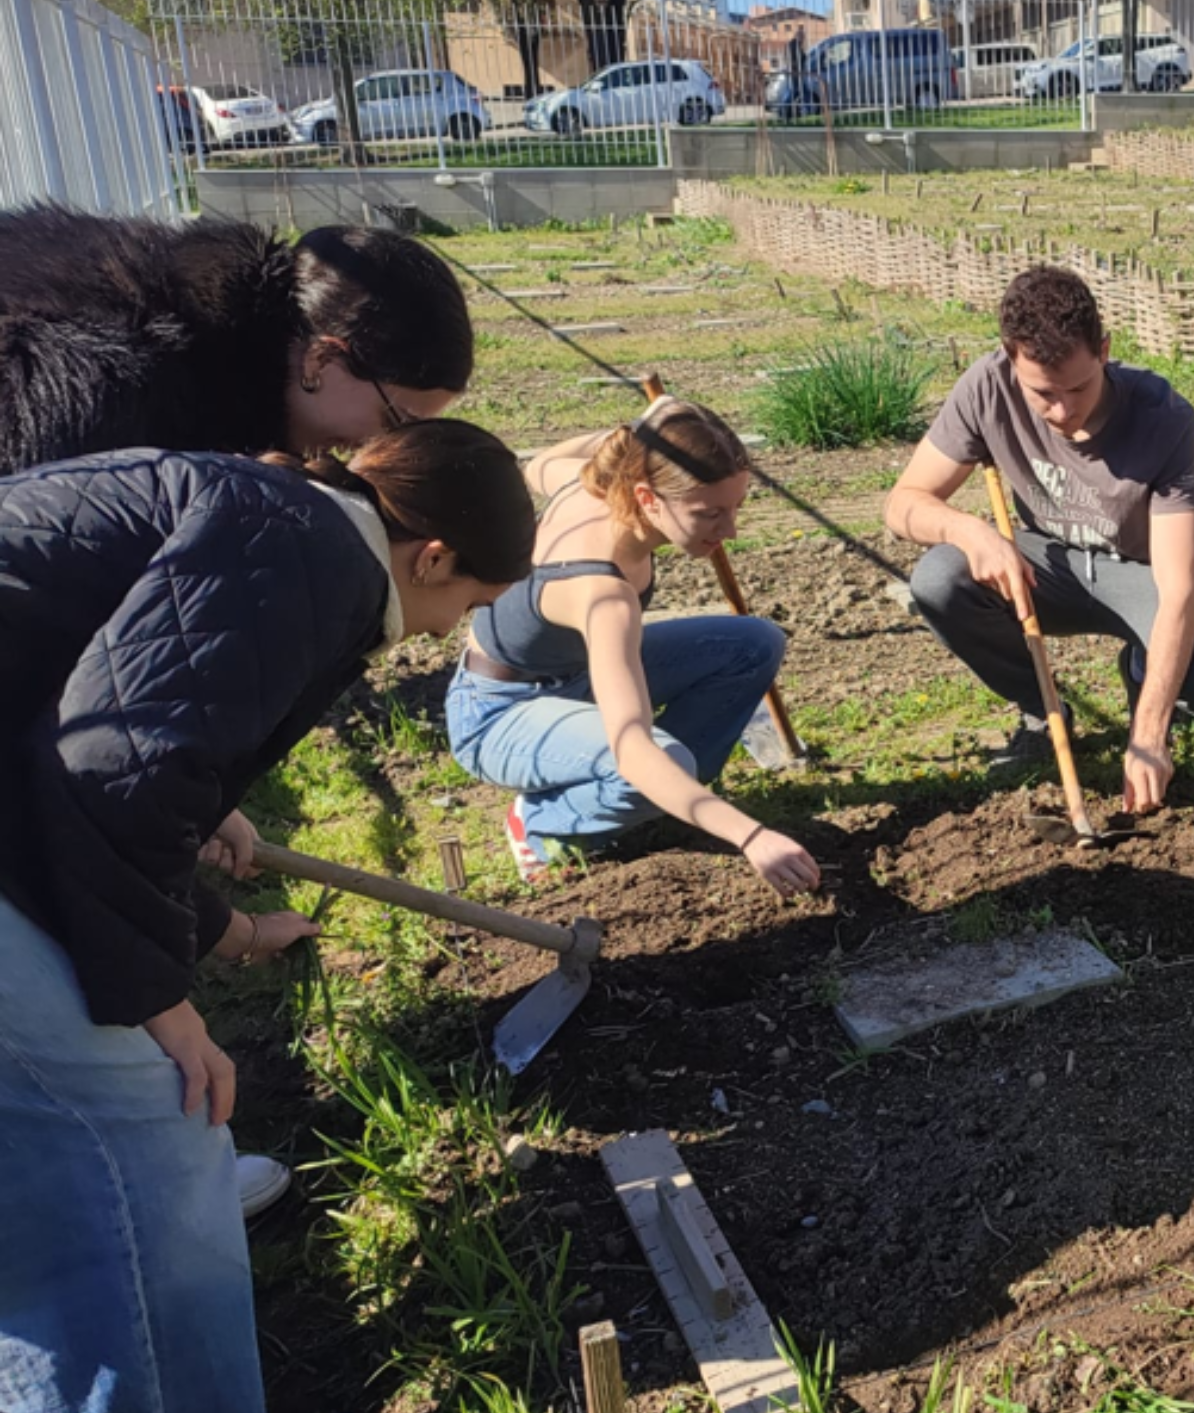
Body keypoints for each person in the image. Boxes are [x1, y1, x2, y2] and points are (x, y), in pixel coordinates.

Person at [0, 423, 536, 1413]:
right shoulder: (312, 555)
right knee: (145, 1149)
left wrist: (219, 909)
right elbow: (112, 775)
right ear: (434, 556)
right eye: (468, 604)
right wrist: (163, 999)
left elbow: (114, 709)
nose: (442, 632)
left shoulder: (283, 514)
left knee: (60, 1199)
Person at [885, 265, 1194, 811]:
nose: (1062, 411)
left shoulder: (1163, 418)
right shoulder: (988, 387)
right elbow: (902, 503)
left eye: (1079, 387)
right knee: (940, 578)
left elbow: (1179, 591)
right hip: (1046, 565)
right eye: (1042, 394)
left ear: (1104, 349)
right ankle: (1043, 712)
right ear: (1011, 356)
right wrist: (968, 530)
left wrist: (1149, 734)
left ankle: (1143, 671)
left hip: (1144, 573)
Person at [445, 397, 820, 897]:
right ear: (647, 498)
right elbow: (633, 748)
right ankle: (543, 822)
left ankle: (675, 800)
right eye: (709, 513)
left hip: (572, 675)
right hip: (498, 712)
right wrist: (751, 836)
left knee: (753, 644)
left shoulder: (595, 483)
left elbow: (537, 466)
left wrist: (633, 436)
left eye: (735, 508)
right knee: (655, 763)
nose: (729, 530)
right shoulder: (603, 593)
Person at [0, 206, 473, 473]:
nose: (375, 447)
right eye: (394, 420)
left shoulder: (200, 322)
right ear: (321, 359)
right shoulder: (114, 385)